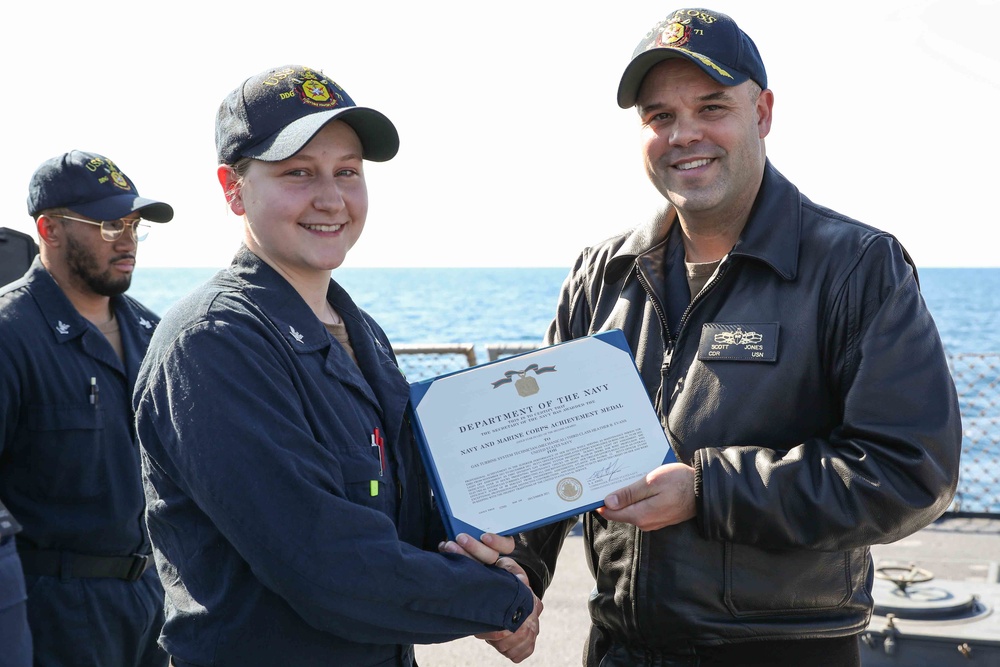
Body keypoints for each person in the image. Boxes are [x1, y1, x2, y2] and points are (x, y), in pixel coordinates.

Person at [503, 8, 963, 667]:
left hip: (780, 652)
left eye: (711, 107)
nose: (684, 134)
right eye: (660, 116)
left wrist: (708, 490)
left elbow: (910, 471)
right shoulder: (601, 274)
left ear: (763, 112)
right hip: (619, 650)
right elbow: (552, 452)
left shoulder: (858, 268)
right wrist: (518, 571)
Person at [132, 64, 541, 667]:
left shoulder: (361, 332)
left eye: (347, 171)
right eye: (298, 173)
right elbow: (323, 563)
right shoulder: (213, 344)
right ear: (233, 188)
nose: (330, 198)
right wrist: (497, 600)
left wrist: (506, 562)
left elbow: (408, 513)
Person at [0, 150, 174, 666]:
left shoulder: (153, 332)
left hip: (150, 602)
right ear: (49, 230)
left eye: (134, 224)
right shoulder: (11, 336)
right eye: (107, 224)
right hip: (50, 613)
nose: (126, 239)